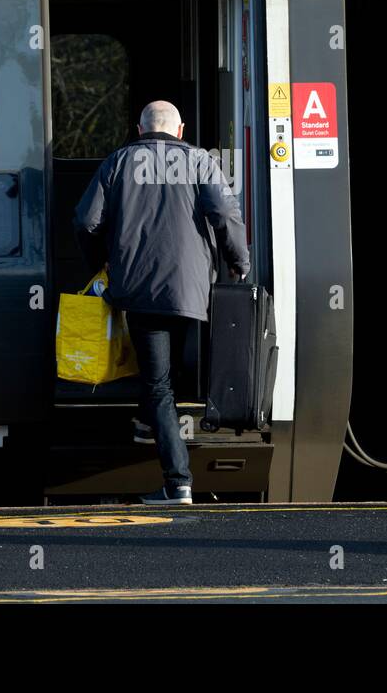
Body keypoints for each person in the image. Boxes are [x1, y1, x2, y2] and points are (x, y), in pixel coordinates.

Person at [73, 100, 250, 505]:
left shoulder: (118, 162)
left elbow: (85, 221)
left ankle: (178, 483)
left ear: (139, 129)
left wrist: (98, 262)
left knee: (158, 383)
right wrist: (239, 261)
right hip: (191, 290)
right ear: (181, 130)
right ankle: (148, 423)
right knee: (169, 377)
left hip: (138, 290)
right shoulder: (201, 161)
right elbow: (224, 211)